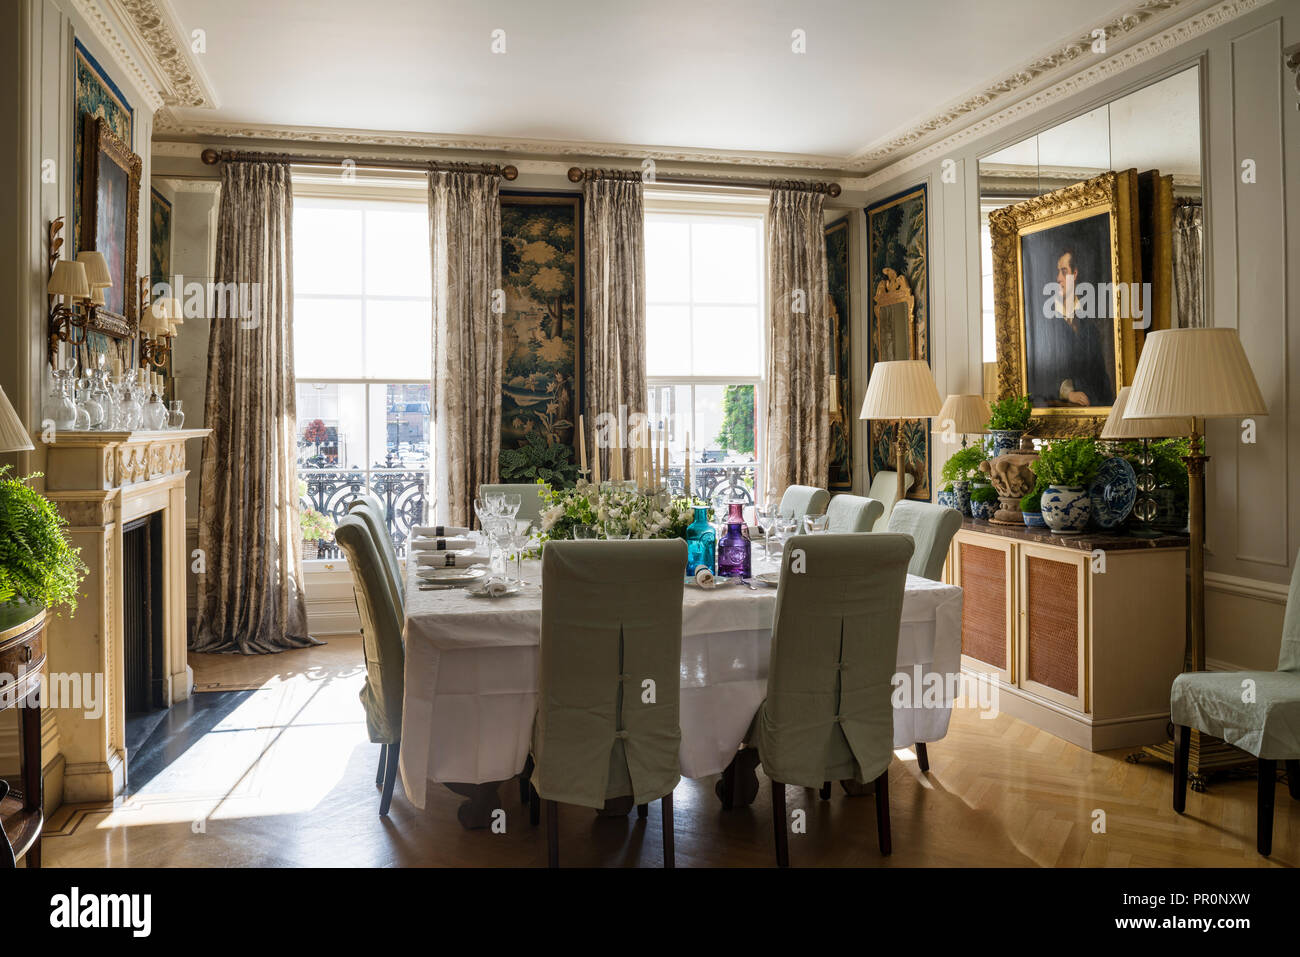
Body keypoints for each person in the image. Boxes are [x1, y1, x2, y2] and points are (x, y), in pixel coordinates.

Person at [1027, 247, 1114, 407]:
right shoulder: (1044, 320)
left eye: (1064, 271)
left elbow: (1099, 374)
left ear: (1074, 275)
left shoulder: (1089, 325)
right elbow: (1037, 375)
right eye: (1057, 272)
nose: (1058, 278)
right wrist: (1068, 393)